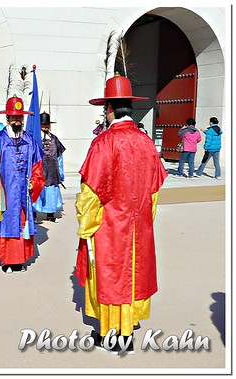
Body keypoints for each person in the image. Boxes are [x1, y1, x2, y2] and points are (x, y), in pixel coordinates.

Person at [74, 73, 167, 354]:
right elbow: (154, 189)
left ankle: (111, 335)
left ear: (110, 108)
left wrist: (86, 225)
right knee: (133, 274)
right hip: (138, 224)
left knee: (110, 276)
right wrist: (145, 219)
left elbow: (91, 190)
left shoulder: (104, 143)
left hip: (110, 224)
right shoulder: (145, 142)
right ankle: (126, 331)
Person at [0, 96, 45, 274]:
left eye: (20, 117)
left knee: (22, 224)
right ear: (7, 118)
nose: (17, 120)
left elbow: (38, 167)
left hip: (24, 193)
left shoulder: (30, 141)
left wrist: (34, 183)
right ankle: (7, 261)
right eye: (13, 117)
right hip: (6, 194)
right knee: (6, 223)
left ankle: (19, 260)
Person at [33, 112, 66, 223]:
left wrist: (60, 172)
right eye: (43, 125)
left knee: (51, 192)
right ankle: (34, 215)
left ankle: (50, 215)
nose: (45, 127)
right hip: (39, 171)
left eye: (47, 125)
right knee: (37, 191)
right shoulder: (34, 139)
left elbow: (60, 156)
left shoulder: (54, 139)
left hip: (51, 170)